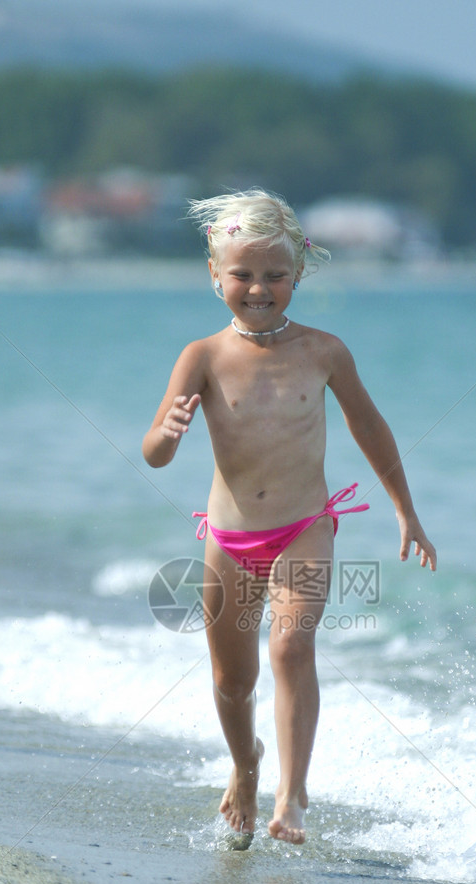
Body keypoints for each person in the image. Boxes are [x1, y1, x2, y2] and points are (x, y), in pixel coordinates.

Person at [143, 189, 436, 846]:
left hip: (306, 528)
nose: (259, 287)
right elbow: (154, 456)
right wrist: (168, 430)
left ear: (298, 273)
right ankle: (246, 765)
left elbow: (370, 427)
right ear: (215, 276)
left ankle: (293, 793)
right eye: (242, 274)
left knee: (292, 647)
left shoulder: (325, 352)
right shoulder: (203, 357)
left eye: (275, 274)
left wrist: (406, 512)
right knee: (230, 681)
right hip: (228, 539)